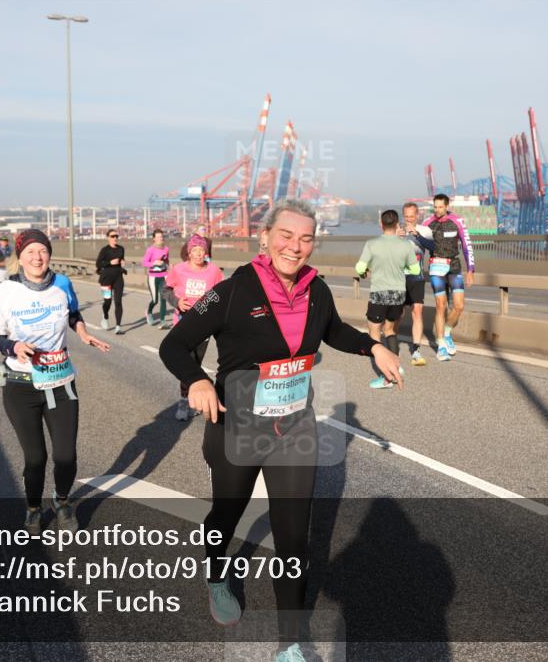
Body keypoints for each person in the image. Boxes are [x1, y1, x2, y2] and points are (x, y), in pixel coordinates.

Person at [160, 199, 401, 662]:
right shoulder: (230, 292)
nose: (296, 246)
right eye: (286, 235)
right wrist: (196, 380)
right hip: (237, 426)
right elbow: (175, 343)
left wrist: (374, 347)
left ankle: (290, 643)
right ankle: (216, 573)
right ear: (265, 238)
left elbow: (335, 332)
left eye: (306, 238)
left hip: (293, 427)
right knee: (225, 517)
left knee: (294, 538)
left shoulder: (317, 290)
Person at [0, 229, 110, 534]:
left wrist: (81, 332)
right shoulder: (6, 291)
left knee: (66, 456)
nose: (37, 257)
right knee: (35, 459)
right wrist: (12, 347)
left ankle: (62, 501)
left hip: (60, 380)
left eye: (42, 251)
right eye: (30, 252)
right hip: (20, 384)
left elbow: (73, 313)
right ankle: (32, 508)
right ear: (20, 257)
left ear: (49, 254)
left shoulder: (62, 284)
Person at [355, 209, 420, 388]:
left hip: (379, 293)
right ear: (397, 224)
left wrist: (364, 271)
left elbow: (359, 267)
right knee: (390, 331)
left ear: (381, 225)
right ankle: (397, 368)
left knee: (375, 334)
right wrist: (400, 269)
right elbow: (415, 270)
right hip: (398, 294)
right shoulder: (405, 245)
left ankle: (386, 377)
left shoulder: (372, 244)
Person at [163, 234, 223, 420]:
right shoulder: (179, 269)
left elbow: (220, 295)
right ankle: (183, 402)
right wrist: (178, 302)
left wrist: (210, 306)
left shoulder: (213, 271)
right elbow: (165, 290)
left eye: (202, 250)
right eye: (195, 250)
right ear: (189, 252)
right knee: (186, 363)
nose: (199, 254)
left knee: (195, 364)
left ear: (206, 252)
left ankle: (195, 396)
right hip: (182, 322)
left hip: (203, 325)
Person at [421, 194, 475, 361]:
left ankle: (446, 331)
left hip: (454, 266)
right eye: (435, 207)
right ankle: (441, 345)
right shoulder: (428, 223)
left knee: (459, 306)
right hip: (436, 266)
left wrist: (471, 270)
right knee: (441, 306)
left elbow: (467, 245)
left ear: (447, 206)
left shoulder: (457, 220)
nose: (437, 210)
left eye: (440, 207)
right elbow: (419, 245)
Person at [397, 202, 436, 366]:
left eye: (411, 216)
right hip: (398, 278)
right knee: (396, 314)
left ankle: (416, 349)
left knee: (417, 312)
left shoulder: (425, 230)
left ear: (417, 215)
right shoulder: (397, 230)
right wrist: (396, 238)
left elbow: (434, 247)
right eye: (406, 217)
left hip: (417, 278)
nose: (409, 220)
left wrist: (417, 235)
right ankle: (393, 346)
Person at [95, 229, 126, 334]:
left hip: (118, 278)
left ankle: (118, 327)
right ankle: (105, 316)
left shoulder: (121, 249)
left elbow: (122, 259)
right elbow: (98, 263)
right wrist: (109, 262)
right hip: (106, 279)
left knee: (118, 302)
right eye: (112, 236)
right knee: (107, 301)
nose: (115, 238)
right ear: (108, 238)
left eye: (116, 236)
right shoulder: (104, 250)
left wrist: (122, 262)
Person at [141, 229, 170, 328]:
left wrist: (168, 265)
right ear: (154, 239)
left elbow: (167, 260)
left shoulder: (166, 248)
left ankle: (162, 321)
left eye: (161, 236)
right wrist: (154, 263)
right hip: (153, 277)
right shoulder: (150, 249)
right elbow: (144, 263)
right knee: (155, 300)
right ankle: (149, 312)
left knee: (163, 298)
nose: (160, 238)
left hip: (164, 275)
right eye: (158, 237)